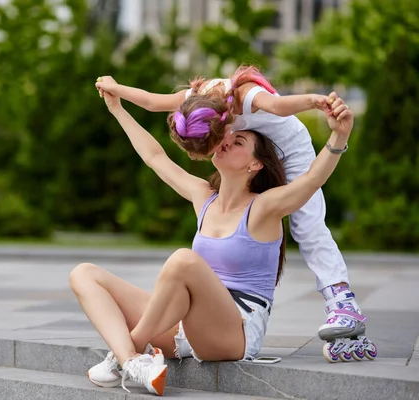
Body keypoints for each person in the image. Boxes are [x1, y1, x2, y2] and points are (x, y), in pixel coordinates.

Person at [69, 82, 355, 396]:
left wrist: (339, 134)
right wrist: (117, 109)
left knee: (184, 260)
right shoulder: (203, 196)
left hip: (236, 332)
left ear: (255, 163)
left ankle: (124, 353)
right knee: (84, 274)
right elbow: (155, 158)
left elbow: (313, 179)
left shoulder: (264, 207)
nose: (225, 141)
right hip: (188, 326)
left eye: (239, 141)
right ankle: (133, 361)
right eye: (227, 137)